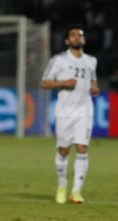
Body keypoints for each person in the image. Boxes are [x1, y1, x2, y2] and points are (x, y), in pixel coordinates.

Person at [40, 25, 99, 204]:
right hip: (65, 112)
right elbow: (44, 83)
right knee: (64, 150)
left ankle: (76, 191)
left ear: (83, 40)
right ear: (67, 41)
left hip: (85, 111)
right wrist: (64, 82)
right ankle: (62, 184)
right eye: (73, 35)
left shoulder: (91, 61)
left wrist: (94, 87)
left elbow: (92, 81)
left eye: (80, 35)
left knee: (82, 148)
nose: (77, 37)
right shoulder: (58, 60)